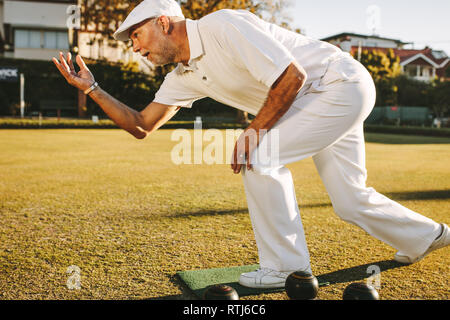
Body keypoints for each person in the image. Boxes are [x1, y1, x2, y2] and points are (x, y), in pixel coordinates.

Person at [52, 0, 449, 289]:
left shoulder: (222, 25)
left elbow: (290, 77)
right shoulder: (182, 75)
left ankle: (286, 269)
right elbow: (141, 125)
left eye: (137, 36)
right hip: (316, 100)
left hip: (337, 84)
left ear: (163, 22)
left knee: (259, 155)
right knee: (350, 199)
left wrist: (254, 132)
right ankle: (427, 235)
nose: (136, 48)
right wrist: (95, 90)